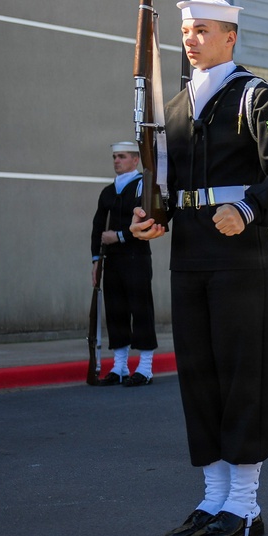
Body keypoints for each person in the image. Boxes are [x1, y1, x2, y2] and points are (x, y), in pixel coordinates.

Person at [131, 0, 268, 536]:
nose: (191, 39)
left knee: (241, 374)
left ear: (230, 37)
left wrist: (249, 208)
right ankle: (212, 497)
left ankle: (245, 505)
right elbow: (163, 181)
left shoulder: (258, 97)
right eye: (186, 30)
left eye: (202, 30)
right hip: (190, 252)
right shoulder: (177, 107)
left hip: (239, 251)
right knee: (199, 374)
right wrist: (149, 217)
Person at [90, 141, 158, 387]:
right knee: (116, 310)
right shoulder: (108, 192)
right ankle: (120, 366)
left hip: (136, 257)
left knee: (140, 309)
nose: (116, 160)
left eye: (121, 156)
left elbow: (149, 221)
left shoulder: (142, 186)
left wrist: (119, 236)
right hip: (114, 260)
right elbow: (98, 228)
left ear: (135, 160)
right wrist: (96, 260)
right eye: (114, 157)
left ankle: (145, 367)